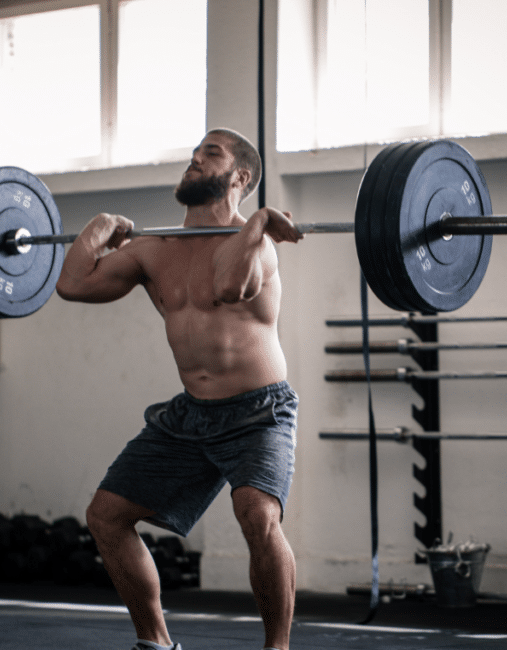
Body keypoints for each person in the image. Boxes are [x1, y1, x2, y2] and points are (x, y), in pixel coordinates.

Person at [55, 129, 303, 650]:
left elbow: (228, 288)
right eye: (193, 154)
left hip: (259, 412)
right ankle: (156, 642)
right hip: (191, 415)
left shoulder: (259, 244)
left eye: (209, 154)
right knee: (106, 516)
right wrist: (96, 229)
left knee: (258, 516)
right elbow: (73, 285)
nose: (193, 160)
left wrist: (257, 222)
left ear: (240, 177)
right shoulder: (154, 249)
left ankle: (277, 649)